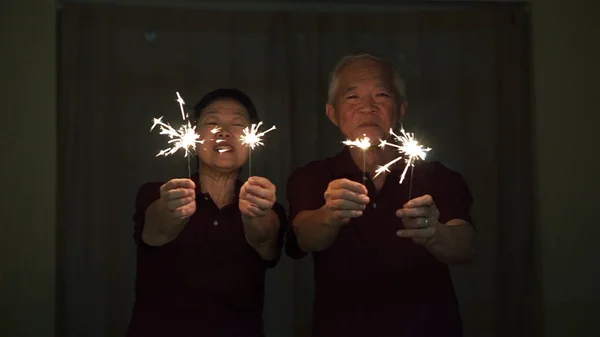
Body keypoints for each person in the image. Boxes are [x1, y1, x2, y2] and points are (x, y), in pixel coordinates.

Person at [286, 53, 476, 337]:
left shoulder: (438, 176)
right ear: (332, 113)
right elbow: (305, 236)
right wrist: (330, 215)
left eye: (381, 94)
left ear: (401, 109)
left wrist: (434, 232)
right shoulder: (313, 176)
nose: (368, 108)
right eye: (352, 98)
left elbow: (466, 246)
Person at [127, 88, 287, 337]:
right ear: (192, 133)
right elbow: (158, 228)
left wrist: (256, 214)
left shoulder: (267, 206)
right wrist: (172, 210)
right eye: (212, 122)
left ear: (253, 137)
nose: (224, 132)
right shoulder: (157, 194)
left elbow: (266, 241)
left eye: (237, 124)